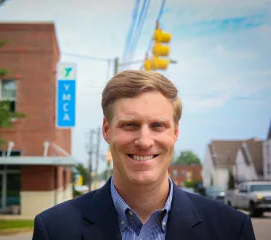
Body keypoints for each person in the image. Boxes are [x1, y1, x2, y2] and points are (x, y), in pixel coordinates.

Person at [32, 70, 256, 240]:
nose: (144, 141)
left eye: (158, 125)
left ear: (175, 132)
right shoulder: (54, 229)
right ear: (107, 130)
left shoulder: (231, 229)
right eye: (130, 125)